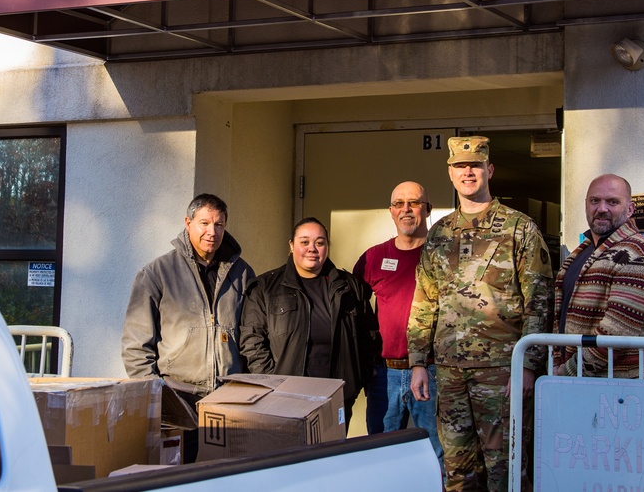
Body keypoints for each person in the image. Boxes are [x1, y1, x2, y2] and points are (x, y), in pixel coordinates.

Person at [407, 136, 553, 492]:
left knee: (506, 470)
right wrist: (416, 362)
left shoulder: (519, 228)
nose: (467, 172)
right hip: (450, 371)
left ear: (489, 170)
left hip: (501, 373)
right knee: (458, 472)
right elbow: (425, 299)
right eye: (460, 166)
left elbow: (540, 300)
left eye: (474, 165)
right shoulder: (440, 232)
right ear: (451, 174)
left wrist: (528, 366)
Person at [240, 217, 378, 429]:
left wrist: (356, 380)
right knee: (291, 459)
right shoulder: (265, 288)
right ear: (291, 246)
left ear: (327, 247)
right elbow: (252, 342)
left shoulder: (350, 287)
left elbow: (369, 335)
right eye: (304, 242)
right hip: (286, 399)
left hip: (337, 396)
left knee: (332, 457)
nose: (312, 249)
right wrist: (274, 384)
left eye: (320, 242)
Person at [121, 193, 255, 407]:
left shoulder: (243, 274)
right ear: (188, 222)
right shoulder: (157, 273)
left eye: (219, 224)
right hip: (177, 396)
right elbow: (136, 345)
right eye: (205, 223)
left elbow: (253, 337)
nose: (212, 232)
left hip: (230, 398)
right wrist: (154, 393)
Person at [353, 181, 443, 467]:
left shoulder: (444, 256)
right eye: (399, 203)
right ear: (391, 211)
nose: (406, 209)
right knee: (381, 454)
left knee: (436, 454)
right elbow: (352, 308)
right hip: (385, 375)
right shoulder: (373, 258)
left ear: (427, 209)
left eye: (414, 203)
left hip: (433, 371)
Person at [552, 174, 644, 378]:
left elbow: (616, 333)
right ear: (586, 204)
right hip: (578, 381)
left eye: (612, 202)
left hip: (619, 387)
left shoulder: (637, 254)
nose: (602, 209)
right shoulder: (585, 250)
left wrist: (566, 371)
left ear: (630, 209)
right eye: (595, 200)